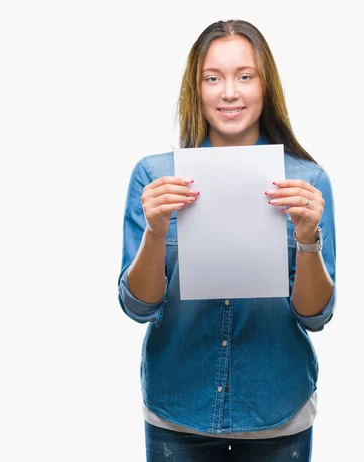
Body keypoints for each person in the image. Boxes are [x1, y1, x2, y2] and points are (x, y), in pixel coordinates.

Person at [118, 19, 336, 462]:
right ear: (195, 89)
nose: (229, 92)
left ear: (265, 85)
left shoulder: (307, 181)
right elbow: (138, 307)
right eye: (212, 78)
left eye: (245, 76)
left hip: (277, 407)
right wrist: (157, 230)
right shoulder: (156, 176)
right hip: (178, 407)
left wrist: (308, 238)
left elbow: (316, 316)